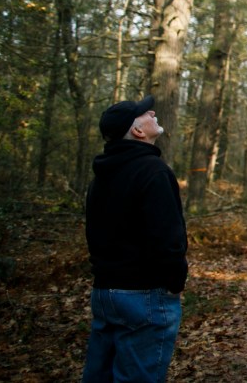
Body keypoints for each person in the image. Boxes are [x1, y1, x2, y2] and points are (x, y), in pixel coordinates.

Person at [81, 95, 188, 383]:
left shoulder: (100, 178)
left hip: (105, 293)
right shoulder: (153, 171)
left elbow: (95, 235)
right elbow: (167, 238)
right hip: (145, 295)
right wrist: (175, 283)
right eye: (145, 113)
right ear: (138, 132)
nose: (153, 112)